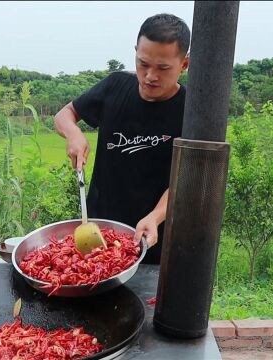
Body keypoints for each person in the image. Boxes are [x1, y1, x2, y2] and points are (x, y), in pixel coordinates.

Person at [53, 13, 190, 264]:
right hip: (98, 232)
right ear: (136, 52)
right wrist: (73, 133)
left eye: (163, 68)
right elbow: (64, 114)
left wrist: (157, 216)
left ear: (184, 65)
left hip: (151, 235)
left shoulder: (190, 111)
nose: (150, 76)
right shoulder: (115, 86)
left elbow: (185, 179)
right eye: (143, 63)